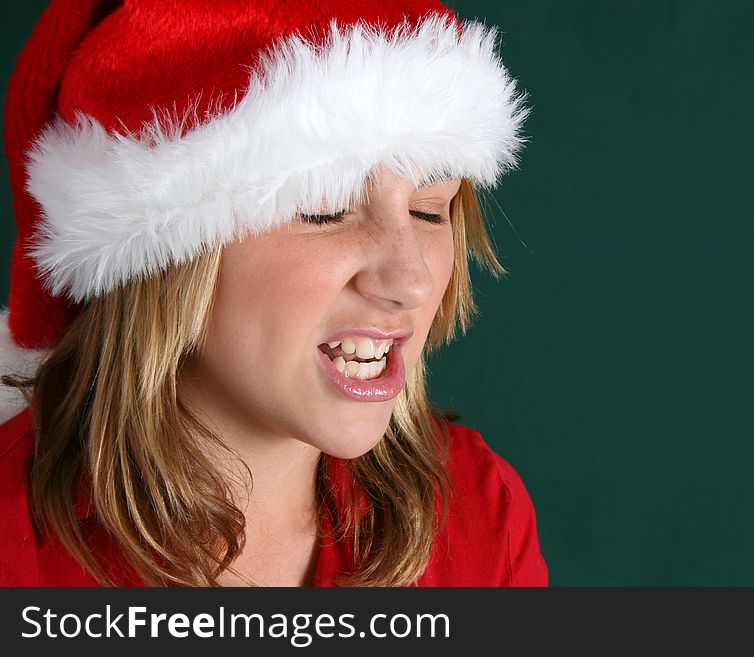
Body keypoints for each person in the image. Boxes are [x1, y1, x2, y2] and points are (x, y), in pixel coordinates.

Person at [0, 0, 547, 587]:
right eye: (325, 209)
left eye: (427, 210)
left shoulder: (480, 513)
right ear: (169, 255)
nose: (411, 280)